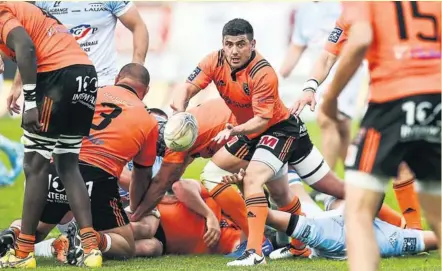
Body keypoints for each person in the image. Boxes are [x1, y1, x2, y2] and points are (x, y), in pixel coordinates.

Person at [171, 18, 326, 266]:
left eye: (240, 44)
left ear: (252, 44)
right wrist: (180, 111)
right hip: (250, 132)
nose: (233, 50)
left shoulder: (262, 72)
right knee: (217, 175)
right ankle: (298, 247)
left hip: (277, 129)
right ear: (222, 44)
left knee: (329, 187)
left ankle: (256, 250)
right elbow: (187, 87)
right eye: (228, 44)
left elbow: (261, 122)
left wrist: (233, 132)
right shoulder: (214, 60)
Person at [0, 63, 163, 264]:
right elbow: (141, 175)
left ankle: (12, 233)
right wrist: (137, 207)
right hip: (97, 176)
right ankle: (92, 239)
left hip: (56, 166)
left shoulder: (91, 93)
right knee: (126, 245)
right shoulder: (148, 120)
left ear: (117, 78)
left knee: (36, 230)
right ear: (145, 91)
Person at [320, 2, 441, 270]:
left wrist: (330, 96)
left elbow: (361, 38)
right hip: (435, 99)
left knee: (358, 211)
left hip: (392, 99)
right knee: (437, 212)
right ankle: (413, 228)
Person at [291, 13, 423, 230]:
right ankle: (410, 229)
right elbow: (327, 57)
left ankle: (411, 230)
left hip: (405, 92)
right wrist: (309, 87)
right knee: (370, 168)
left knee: (372, 167)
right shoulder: (350, 16)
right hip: (387, 96)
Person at [0, 2, 101, 268]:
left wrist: (30, 100)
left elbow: (26, 47)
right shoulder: (19, 7)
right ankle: (91, 249)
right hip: (86, 76)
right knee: (68, 163)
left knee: (35, 165)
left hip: (57, 76)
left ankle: (23, 253)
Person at [280, 2, 368, 173]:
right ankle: (353, 178)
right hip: (322, 73)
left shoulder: (348, 7)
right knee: (341, 127)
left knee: (325, 119)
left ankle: (326, 182)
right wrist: (279, 77)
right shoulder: (304, 11)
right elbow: (303, 48)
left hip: (349, 71)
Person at [33, 1, 149, 88]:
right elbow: (34, 39)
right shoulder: (45, 2)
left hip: (102, 82)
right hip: (59, 82)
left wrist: (136, 67)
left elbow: (138, 26)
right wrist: (20, 82)